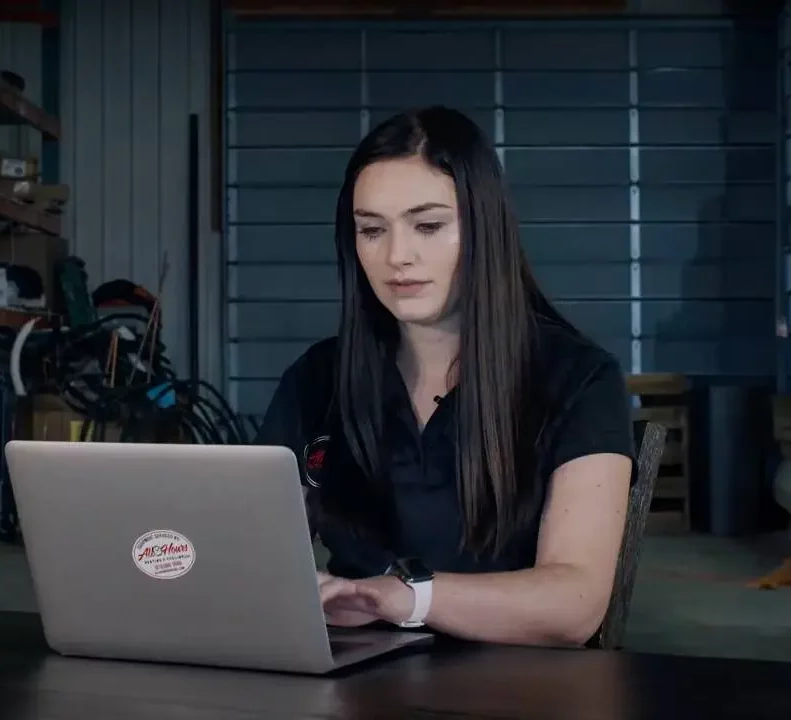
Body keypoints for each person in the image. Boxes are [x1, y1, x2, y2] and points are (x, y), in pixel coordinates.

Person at [254, 106, 635, 647]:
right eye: (371, 230)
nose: (397, 256)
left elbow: (573, 605)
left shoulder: (577, 379)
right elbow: (255, 553)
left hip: (518, 685)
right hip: (352, 677)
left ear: (484, 227)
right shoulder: (318, 378)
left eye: (428, 226)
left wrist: (408, 597)